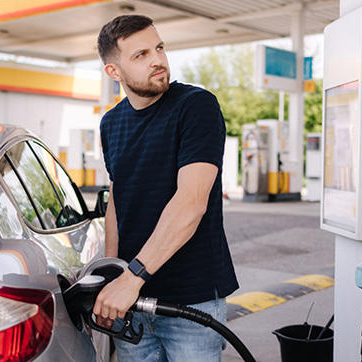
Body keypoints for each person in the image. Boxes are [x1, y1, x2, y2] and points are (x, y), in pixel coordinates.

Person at [93, 14, 239, 361]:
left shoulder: (196, 107)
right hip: (130, 301)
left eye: (158, 48)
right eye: (141, 54)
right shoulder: (111, 123)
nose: (158, 59)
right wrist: (114, 273)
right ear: (114, 72)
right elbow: (118, 200)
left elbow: (190, 202)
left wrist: (132, 277)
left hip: (190, 298)